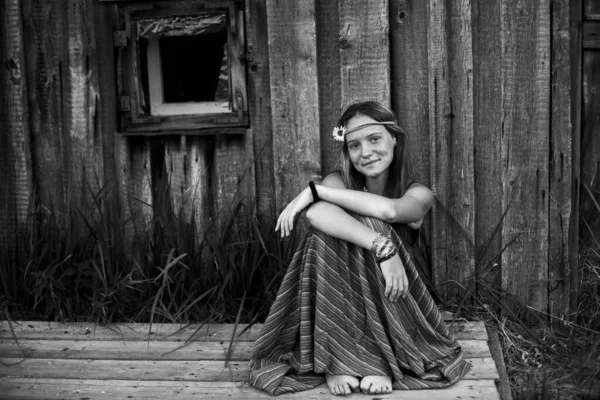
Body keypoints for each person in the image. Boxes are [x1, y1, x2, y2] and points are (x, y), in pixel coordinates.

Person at [248, 101, 470, 396]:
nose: (365, 153)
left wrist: (315, 191)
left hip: (395, 294)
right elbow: (315, 215)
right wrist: (381, 247)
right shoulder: (338, 180)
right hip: (342, 294)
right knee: (322, 235)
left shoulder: (418, 193)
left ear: (395, 138)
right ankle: (338, 359)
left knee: (374, 223)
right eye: (354, 145)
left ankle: (378, 360)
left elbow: (390, 213)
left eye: (374, 139)